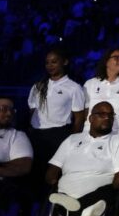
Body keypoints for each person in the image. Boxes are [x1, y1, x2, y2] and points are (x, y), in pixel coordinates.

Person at [45, 102, 119, 216]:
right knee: (60, 194)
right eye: (102, 114)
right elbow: (52, 171)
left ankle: (81, 210)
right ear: (91, 118)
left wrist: (113, 188)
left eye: (110, 115)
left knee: (111, 191)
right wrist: (52, 182)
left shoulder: (118, 142)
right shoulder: (72, 140)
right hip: (67, 190)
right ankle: (84, 214)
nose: (107, 118)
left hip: (100, 193)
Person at [28, 48, 86, 189]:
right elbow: (32, 111)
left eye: (54, 62)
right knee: (34, 176)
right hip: (36, 136)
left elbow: (79, 118)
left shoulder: (74, 88)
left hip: (58, 136)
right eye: (47, 62)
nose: (50, 65)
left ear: (64, 62)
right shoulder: (38, 86)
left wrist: (73, 141)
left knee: (53, 176)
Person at [83, 47, 119, 141]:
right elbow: (85, 112)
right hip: (90, 136)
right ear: (106, 61)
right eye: (116, 57)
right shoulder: (90, 84)